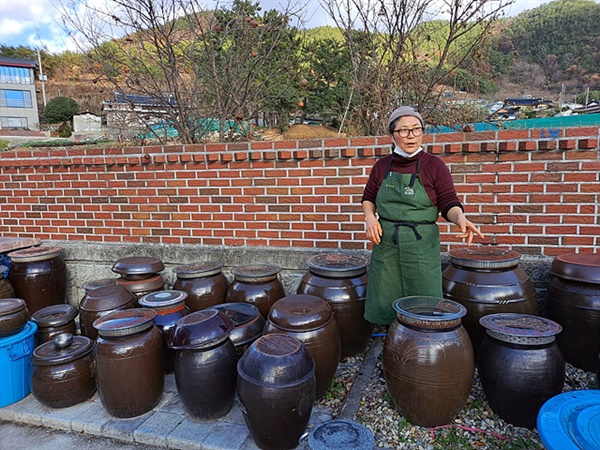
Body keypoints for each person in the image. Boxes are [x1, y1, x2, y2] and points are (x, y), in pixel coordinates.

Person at [361, 106, 484, 325]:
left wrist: (460, 218)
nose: (411, 136)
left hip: (421, 245)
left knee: (424, 300)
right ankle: (393, 341)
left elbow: (449, 202)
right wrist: (370, 218)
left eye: (416, 129)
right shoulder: (382, 166)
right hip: (387, 243)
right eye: (404, 130)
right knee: (384, 295)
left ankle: (422, 344)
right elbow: (368, 197)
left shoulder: (434, 165)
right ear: (393, 135)